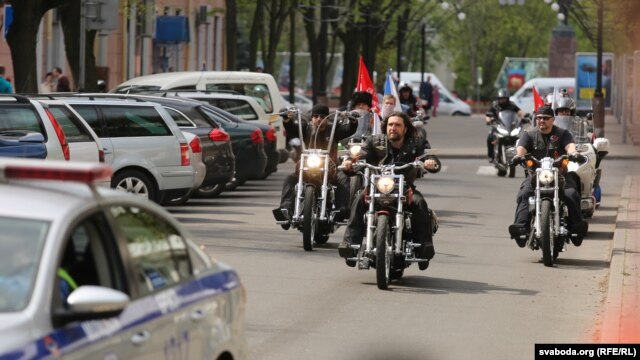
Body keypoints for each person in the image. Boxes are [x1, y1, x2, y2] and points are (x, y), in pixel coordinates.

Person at [339, 111, 441, 270]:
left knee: (419, 203)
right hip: (378, 186)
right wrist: (350, 163)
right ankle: (350, 243)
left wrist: (430, 162)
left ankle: (424, 247)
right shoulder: (375, 141)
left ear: (405, 129)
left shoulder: (416, 142)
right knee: (359, 199)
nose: (393, 128)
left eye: (397, 125)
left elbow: (428, 155)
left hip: (405, 187)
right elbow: (362, 156)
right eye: (390, 125)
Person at [508, 105, 588, 248]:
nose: (541, 121)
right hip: (536, 175)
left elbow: (570, 145)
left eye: (545, 118)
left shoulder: (562, 134)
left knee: (571, 194)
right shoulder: (529, 134)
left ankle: (576, 229)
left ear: (553, 120)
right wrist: (517, 157)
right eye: (538, 118)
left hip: (560, 175)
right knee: (524, 194)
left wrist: (573, 153)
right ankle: (521, 228)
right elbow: (521, 148)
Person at [273, 104, 359, 229]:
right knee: (289, 179)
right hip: (308, 166)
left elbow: (349, 129)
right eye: (315, 116)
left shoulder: (334, 129)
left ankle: (341, 211)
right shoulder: (306, 127)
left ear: (327, 118)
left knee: (343, 178)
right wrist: (286, 119)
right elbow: (292, 128)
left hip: (329, 167)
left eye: (322, 116)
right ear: (312, 118)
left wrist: (353, 120)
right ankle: (286, 210)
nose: (318, 119)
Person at [485, 88, 522, 162]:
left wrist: (524, 117)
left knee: (519, 138)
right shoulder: (495, 106)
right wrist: (489, 120)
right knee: (490, 138)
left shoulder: (512, 105)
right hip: (497, 126)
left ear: (507, 99)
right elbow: (488, 115)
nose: (503, 100)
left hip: (510, 126)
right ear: (498, 99)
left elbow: (520, 112)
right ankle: (491, 155)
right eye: (501, 98)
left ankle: (519, 155)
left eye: (504, 98)